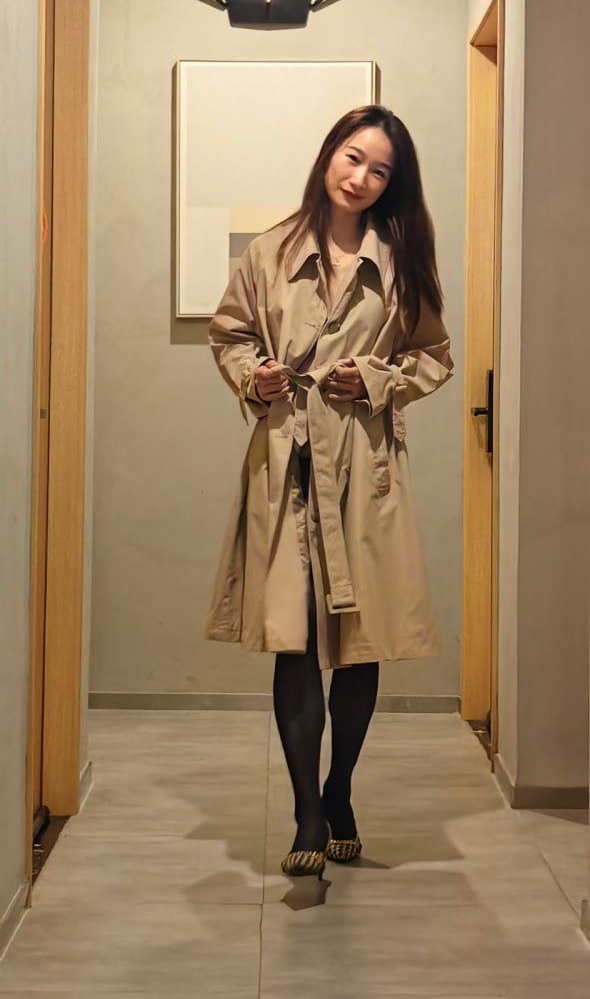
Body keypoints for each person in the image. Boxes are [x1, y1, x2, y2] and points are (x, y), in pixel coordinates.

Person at [206, 104, 453, 879]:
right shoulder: (269, 251)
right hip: (288, 460)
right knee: (297, 636)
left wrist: (375, 378)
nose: (361, 178)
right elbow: (230, 333)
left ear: (392, 183)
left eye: (380, 170)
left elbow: (433, 355)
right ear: (327, 156)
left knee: (357, 641)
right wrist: (255, 376)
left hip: (364, 467)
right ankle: (307, 811)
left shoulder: (402, 260)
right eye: (353, 157)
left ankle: (340, 789)